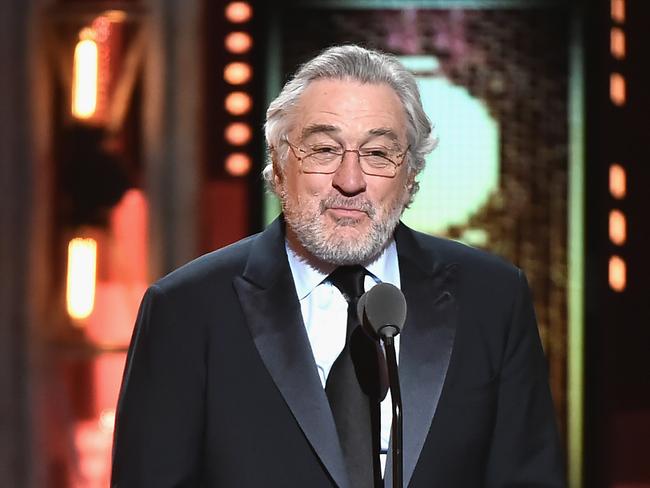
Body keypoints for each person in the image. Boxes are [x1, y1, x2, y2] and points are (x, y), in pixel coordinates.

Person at [111, 45, 565, 487]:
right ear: (279, 161)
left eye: (378, 154)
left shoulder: (492, 298)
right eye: (325, 149)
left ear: (411, 176)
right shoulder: (186, 310)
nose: (350, 181)